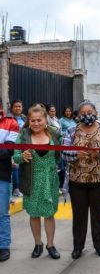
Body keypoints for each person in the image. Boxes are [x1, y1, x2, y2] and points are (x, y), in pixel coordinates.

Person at [62, 100, 100, 260]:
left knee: (98, 215)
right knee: (79, 216)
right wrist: (75, 154)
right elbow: (63, 152)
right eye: (83, 113)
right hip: (77, 182)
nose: (86, 115)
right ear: (78, 115)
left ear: (95, 113)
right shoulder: (71, 130)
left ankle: (99, 245)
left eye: (90, 112)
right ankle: (78, 247)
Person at [13, 104, 62, 259]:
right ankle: (38, 243)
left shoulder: (54, 133)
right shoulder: (23, 135)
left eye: (39, 120)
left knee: (49, 214)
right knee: (34, 214)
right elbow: (15, 157)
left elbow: (59, 156)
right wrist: (23, 157)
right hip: (32, 180)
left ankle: (50, 244)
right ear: (29, 121)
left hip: (50, 180)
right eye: (32, 120)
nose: (35, 123)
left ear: (45, 119)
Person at [0, 100, 19, 262]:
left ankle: (3, 246)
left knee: (2, 213)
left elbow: (8, 151)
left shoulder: (10, 123)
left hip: (2, 175)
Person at [8, 100, 26, 198]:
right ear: (12, 108)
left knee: (21, 167)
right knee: (15, 166)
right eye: (16, 106)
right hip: (13, 145)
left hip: (23, 145)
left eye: (19, 106)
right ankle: (15, 189)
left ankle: (20, 187)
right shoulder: (9, 118)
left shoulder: (24, 118)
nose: (18, 108)